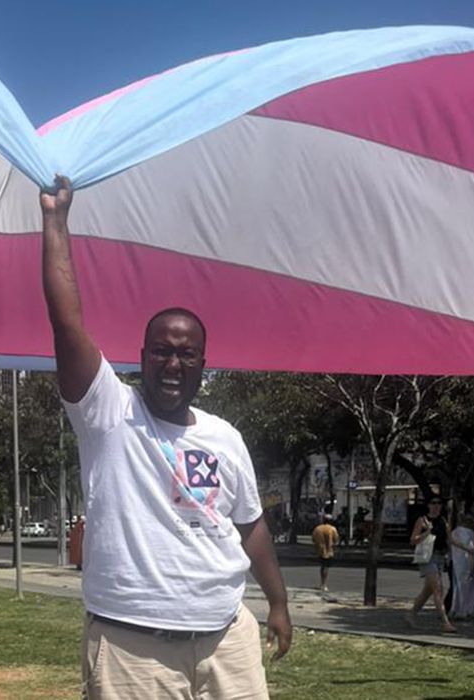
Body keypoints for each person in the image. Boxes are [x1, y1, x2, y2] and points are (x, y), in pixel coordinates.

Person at [41, 176, 291, 698]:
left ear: (203, 365)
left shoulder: (225, 436)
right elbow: (67, 325)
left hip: (227, 640)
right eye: (161, 351)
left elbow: (251, 527)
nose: (173, 363)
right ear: (142, 356)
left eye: (186, 354)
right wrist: (56, 223)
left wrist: (279, 602)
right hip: (135, 649)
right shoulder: (109, 411)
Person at [407, 497, 458, 633]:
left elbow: (451, 539)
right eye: (433, 503)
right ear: (428, 505)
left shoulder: (443, 521)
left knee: (427, 591)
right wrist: (428, 531)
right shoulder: (423, 521)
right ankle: (445, 622)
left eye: (438, 503)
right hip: (428, 557)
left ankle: (411, 614)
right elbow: (413, 540)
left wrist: (468, 549)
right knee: (438, 589)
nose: (436, 506)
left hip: (440, 557)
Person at [448, 514, 474, 619]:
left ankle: (457, 609)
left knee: (458, 586)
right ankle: (466, 609)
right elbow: (473, 550)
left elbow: (451, 544)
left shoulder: (456, 532)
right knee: (467, 586)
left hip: (458, 562)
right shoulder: (469, 534)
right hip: (465, 563)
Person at [310, 514, 340, 591]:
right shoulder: (333, 529)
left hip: (320, 550)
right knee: (326, 567)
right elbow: (336, 540)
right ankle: (324, 584)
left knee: (322, 567)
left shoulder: (317, 529)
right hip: (329, 550)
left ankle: (322, 583)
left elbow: (313, 539)